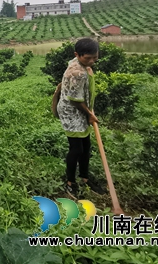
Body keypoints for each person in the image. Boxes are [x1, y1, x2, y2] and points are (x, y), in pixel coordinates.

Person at [57, 38, 103, 196]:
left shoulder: (82, 64)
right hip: (72, 112)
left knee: (86, 146)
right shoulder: (78, 73)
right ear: (77, 55)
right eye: (87, 58)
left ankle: (84, 177)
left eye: (95, 57)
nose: (92, 61)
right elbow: (75, 101)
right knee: (76, 149)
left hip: (82, 110)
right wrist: (89, 114)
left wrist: (89, 112)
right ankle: (70, 182)